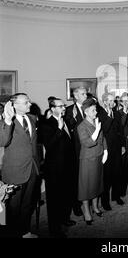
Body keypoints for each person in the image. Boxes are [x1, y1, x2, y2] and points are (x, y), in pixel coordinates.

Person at [0, 93, 40, 238]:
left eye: (29, 101)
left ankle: (24, 232)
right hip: (14, 171)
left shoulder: (32, 118)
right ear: (14, 105)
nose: (30, 104)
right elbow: (3, 141)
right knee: (12, 208)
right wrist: (8, 121)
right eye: (26, 102)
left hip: (32, 169)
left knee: (27, 205)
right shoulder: (5, 120)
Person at [41, 98, 77, 238]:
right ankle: (54, 229)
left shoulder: (66, 120)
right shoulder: (46, 124)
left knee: (67, 195)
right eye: (60, 106)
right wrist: (59, 129)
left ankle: (65, 219)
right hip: (55, 169)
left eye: (64, 105)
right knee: (55, 200)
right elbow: (49, 145)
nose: (63, 108)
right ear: (52, 109)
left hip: (68, 166)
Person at [77, 98, 108, 225]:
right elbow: (87, 143)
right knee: (86, 186)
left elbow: (102, 137)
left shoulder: (96, 122)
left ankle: (95, 207)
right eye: (93, 110)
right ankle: (86, 211)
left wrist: (105, 151)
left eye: (95, 110)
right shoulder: (81, 126)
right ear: (86, 112)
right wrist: (96, 131)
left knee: (96, 183)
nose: (96, 112)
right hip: (88, 159)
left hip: (99, 156)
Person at [98, 93, 124, 211]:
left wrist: (123, 145)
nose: (112, 103)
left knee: (117, 173)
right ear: (104, 101)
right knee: (106, 176)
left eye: (113, 101)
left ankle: (116, 196)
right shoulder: (99, 114)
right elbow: (104, 129)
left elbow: (121, 131)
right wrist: (108, 115)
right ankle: (105, 202)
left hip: (117, 147)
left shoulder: (117, 113)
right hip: (106, 149)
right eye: (109, 101)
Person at [65, 87, 87, 216]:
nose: (86, 95)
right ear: (76, 96)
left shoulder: (89, 107)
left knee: (87, 177)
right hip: (76, 150)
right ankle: (76, 205)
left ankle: (87, 201)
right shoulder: (68, 110)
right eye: (83, 94)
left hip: (89, 148)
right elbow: (69, 129)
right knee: (77, 179)